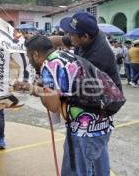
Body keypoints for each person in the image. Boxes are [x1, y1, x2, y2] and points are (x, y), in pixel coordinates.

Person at [15, 34, 119, 176]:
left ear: (35, 54)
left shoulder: (48, 66)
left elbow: (53, 106)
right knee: (99, 165)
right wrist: (37, 88)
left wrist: (37, 90)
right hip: (102, 121)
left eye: (28, 57)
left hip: (84, 128)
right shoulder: (64, 55)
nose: (29, 61)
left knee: (76, 170)